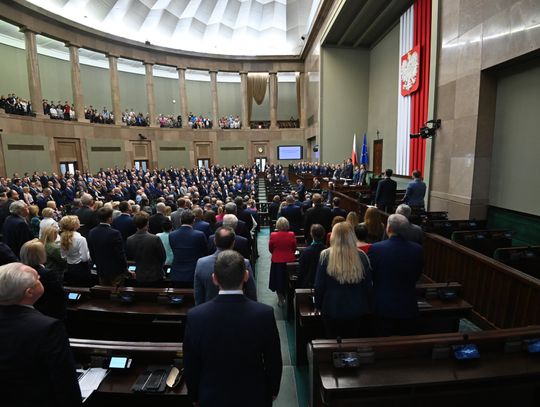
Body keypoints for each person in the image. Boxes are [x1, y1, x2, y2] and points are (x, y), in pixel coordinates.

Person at [184, 250, 282, 407]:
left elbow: (191, 364)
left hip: (212, 396)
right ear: (246, 276)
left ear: (214, 279)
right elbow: (273, 360)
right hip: (254, 395)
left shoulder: (196, 316)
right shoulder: (264, 314)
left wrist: (194, 395)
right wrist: (273, 389)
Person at [0, 262, 82, 406]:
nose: (40, 278)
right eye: (37, 278)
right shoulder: (48, 328)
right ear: (29, 292)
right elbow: (64, 381)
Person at [314, 222, 372, 339]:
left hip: (331, 307)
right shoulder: (362, 256)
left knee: (332, 342)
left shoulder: (325, 256)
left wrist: (318, 305)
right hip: (356, 307)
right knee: (352, 341)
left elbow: (319, 285)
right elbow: (368, 285)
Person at [368, 214, 423, 336]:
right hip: (408, 305)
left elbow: (370, 275)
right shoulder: (417, 250)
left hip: (382, 306)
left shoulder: (376, 249)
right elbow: (418, 275)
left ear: (388, 228)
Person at [194, 227, 256, 305]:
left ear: (214, 241)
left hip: (209, 312)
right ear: (233, 243)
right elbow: (251, 292)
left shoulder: (201, 263)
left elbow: (198, 294)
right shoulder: (244, 262)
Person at [20, 239, 66, 320]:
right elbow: (59, 294)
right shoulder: (47, 274)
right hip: (48, 314)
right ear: (41, 255)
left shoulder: (19, 272)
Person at [88, 207, 128, 286]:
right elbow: (120, 254)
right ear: (110, 219)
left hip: (101, 269)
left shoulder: (92, 232)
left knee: (104, 293)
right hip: (115, 271)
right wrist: (125, 268)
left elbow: (92, 252)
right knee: (115, 294)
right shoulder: (115, 233)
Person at [169, 209, 208, 286]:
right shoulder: (199, 235)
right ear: (193, 220)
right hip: (194, 272)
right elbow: (205, 251)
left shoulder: (172, 235)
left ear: (180, 220)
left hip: (176, 273)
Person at [126, 212, 166, 286]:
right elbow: (163, 257)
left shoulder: (129, 239)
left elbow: (130, 256)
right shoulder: (155, 238)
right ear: (147, 223)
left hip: (139, 275)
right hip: (155, 275)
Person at [268, 216, 297, 306]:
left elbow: (270, 248)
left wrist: (276, 253)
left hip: (277, 260)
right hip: (290, 260)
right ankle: (289, 298)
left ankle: (281, 299)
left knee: (278, 281)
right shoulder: (291, 234)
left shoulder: (273, 235)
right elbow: (294, 247)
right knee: (288, 281)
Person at [59, 215, 92, 287]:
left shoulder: (62, 238)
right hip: (81, 268)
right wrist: (89, 253)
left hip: (70, 267)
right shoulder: (81, 239)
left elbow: (63, 256)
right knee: (84, 288)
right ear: (74, 225)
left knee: (73, 287)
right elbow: (85, 258)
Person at [298, 224, 326, 288]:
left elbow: (301, 271)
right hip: (323, 284)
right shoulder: (327, 251)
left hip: (309, 283)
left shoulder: (306, 252)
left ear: (311, 234)